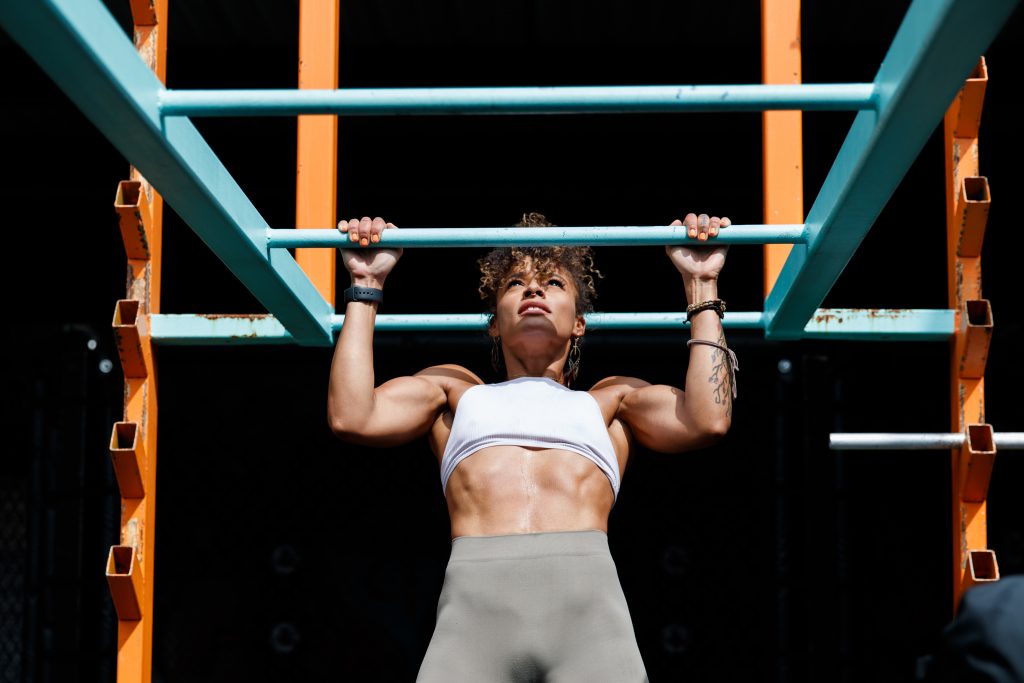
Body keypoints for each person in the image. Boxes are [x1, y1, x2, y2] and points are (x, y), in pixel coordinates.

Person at [328, 211, 735, 682]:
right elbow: (351, 416)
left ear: (579, 323)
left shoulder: (610, 401)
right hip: (472, 627)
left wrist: (702, 284)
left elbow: (709, 419)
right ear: (494, 325)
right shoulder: (456, 392)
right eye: (515, 283)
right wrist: (365, 284)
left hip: (590, 628)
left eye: (553, 283)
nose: (534, 290)